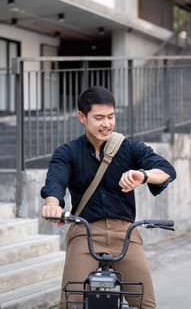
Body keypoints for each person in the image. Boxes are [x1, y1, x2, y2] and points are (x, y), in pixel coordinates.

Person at [41, 86, 176, 309]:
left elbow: (166, 170)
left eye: (111, 117)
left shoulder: (129, 148)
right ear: (82, 117)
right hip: (85, 231)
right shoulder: (67, 152)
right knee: (70, 300)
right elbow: (55, 182)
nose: (107, 124)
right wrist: (52, 204)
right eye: (99, 118)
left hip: (124, 233)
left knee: (146, 303)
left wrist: (142, 175)